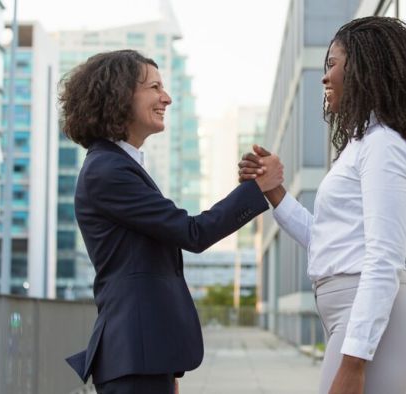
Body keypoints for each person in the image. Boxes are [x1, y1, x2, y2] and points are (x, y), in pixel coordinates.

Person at [60, 49, 283, 394]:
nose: (167, 97)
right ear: (120, 94)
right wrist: (259, 188)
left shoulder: (119, 164)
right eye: (154, 87)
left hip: (146, 354)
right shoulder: (108, 170)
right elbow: (192, 233)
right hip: (134, 355)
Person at [239, 17, 406, 394]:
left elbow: (383, 257)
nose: (324, 77)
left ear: (364, 68)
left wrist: (353, 362)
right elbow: (326, 239)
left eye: (332, 63)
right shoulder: (362, 145)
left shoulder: (384, 146)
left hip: (374, 319)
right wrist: (274, 191)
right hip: (349, 312)